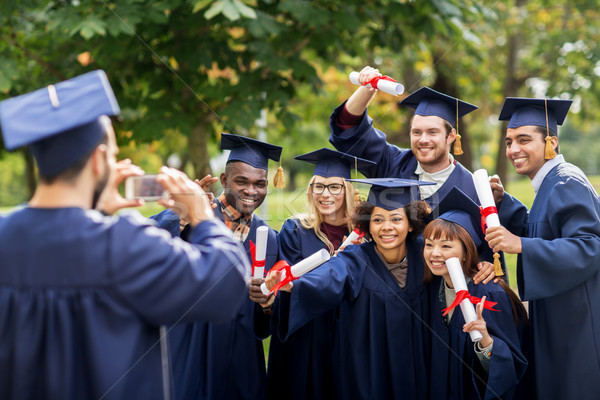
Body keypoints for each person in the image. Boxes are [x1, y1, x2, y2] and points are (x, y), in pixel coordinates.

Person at [0, 70, 249, 399]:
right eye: (113, 153)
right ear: (97, 160)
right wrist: (202, 216)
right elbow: (225, 284)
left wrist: (96, 209)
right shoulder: (125, 242)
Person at [265, 178, 439, 399]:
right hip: (369, 372)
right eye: (377, 220)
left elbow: (456, 263)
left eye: (396, 219)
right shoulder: (355, 258)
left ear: (411, 224)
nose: (386, 227)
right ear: (367, 225)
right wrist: (293, 285)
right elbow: (330, 276)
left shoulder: (425, 253)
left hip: (418, 366)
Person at [485, 97, 600, 399]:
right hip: (559, 317)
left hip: (575, 323)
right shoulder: (550, 183)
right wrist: (503, 201)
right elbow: (543, 227)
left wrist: (520, 244)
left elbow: (589, 247)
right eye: (509, 141)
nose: (513, 150)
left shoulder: (566, 181)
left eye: (524, 140)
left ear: (551, 142)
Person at [153, 132, 281, 400]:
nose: (251, 190)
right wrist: (178, 215)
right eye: (241, 181)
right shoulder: (195, 217)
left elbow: (263, 326)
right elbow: (151, 248)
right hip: (189, 348)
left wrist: (267, 305)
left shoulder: (268, 237)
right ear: (224, 180)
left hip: (241, 361)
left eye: (260, 183)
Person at [266, 148, 375, 400]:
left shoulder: (364, 234)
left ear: (348, 189)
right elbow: (293, 287)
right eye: (319, 187)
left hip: (350, 333)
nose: (325, 195)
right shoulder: (295, 230)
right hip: (307, 336)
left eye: (335, 187)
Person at [424, 188, 529, 399]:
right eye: (428, 245)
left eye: (445, 246)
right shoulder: (431, 289)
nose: (434, 253)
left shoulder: (489, 294)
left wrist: (486, 343)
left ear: (466, 252)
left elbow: (512, 365)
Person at [328, 66, 479, 209]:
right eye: (417, 132)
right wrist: (368, 88)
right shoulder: (391, 162)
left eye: (433, 132)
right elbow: (348, 127)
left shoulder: (471, 186)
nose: (423, 139)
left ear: (451, 136)